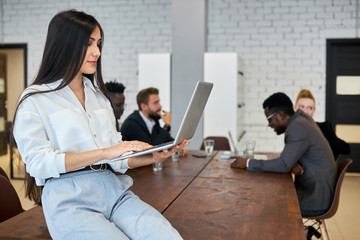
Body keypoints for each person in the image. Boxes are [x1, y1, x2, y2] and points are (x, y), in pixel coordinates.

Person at [12, 10, 187, 240]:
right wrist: (104, 152)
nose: (97, 52)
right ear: (65, 45)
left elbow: (117, 156)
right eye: (89, 43)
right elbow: (37, 164)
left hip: (113, 190)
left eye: (99, 43)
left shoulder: (99, 97)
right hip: (69, 198)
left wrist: (153, 157)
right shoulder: (35, 99)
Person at [230, 92, 337, 218]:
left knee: (263, 204)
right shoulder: (302, 119)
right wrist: (291, 162)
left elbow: (283, 164)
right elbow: (287, 161)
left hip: (315, 199)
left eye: (269, 119)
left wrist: (247, 162)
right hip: (316, 191)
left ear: (280, 115)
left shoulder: (297, 126)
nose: (269, 124)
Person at [121, 87, 187, 156]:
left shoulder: (153, 119)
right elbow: (151, 149)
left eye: (159, 102)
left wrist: (178, 146)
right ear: (143, 106)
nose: (160, 106)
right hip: (134, 165)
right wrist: (167, 125)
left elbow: (166, 139)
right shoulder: (132, 124)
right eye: (156, 103)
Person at [294, 89, 350, 160]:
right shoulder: (292, 131)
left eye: (309, 108)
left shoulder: (324, 127)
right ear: (295, 108)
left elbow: (346, 148)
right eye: (301, 107)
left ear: (314, 110)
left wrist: (318, 139)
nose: (305, 112)